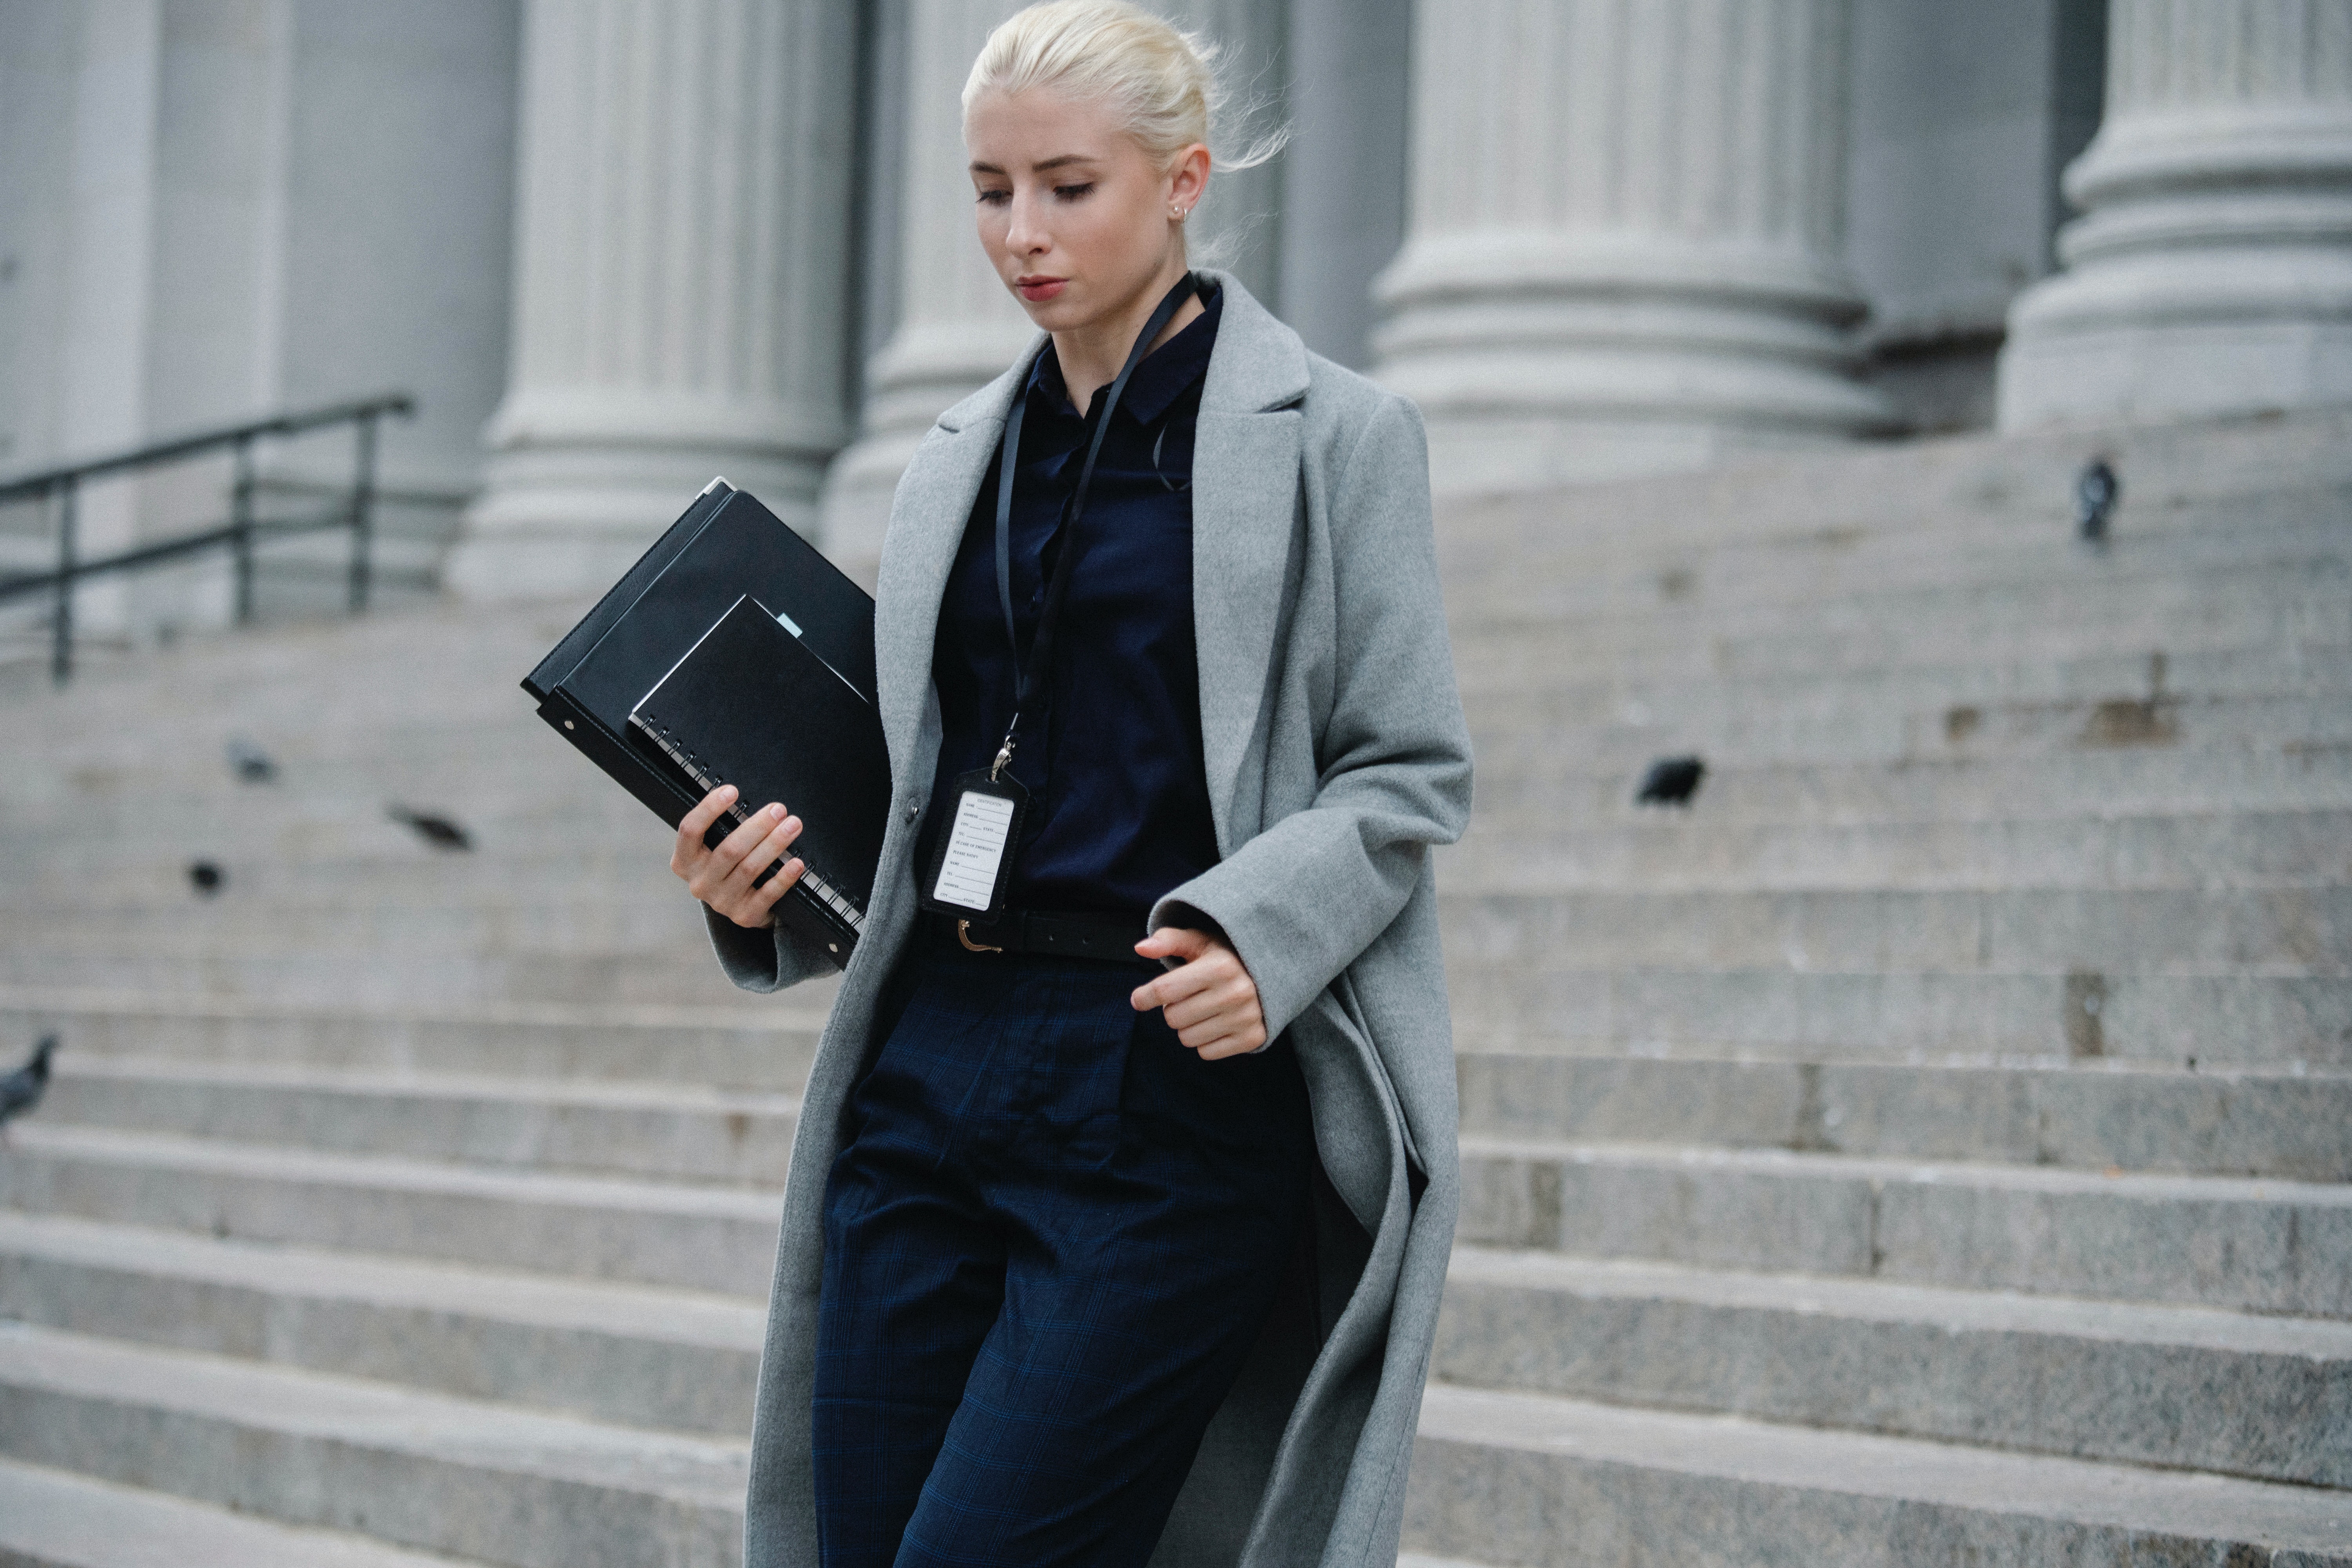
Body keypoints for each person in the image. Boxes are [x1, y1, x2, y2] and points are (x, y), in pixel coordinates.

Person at [670, 4, 1471, 1563]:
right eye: (988, 190)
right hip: (928, 1064)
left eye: (1065, 185)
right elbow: (921, 786)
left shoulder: (1340, 437)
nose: (1020, 233)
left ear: (1182, 181)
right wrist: (758, 880)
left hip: (1164, 1083)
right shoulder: (952, 456)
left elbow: (1407, 768)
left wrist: (1266, 932)